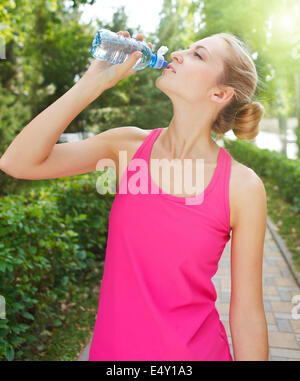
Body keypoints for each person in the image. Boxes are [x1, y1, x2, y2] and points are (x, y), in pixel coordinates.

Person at [0, 30, 269, 361]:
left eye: (198, 55)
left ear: (220, 93)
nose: (179, 54)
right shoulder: (126, 146)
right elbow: (16, 162)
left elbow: (247, 316)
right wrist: (92, 84)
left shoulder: (242, 187)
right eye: (187, 48)